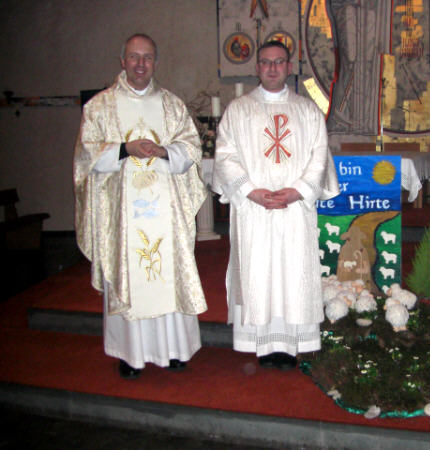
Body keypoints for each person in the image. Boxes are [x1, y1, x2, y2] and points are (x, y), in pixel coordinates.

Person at [73, 33, 208, 379]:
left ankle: (174, 350)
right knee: (130, 275)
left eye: (147, 57)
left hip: (166, 213)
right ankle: (130, 355)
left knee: (168, 272)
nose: (140, 64)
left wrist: (164, 151)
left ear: (155, 63)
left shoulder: (171, 105)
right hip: (123, 216)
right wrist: (124, 149)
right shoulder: (100, 107)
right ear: (122, 61)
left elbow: (191, 149)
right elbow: (86, 156)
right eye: (134, 57)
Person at [212, 40, 339, 370]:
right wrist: (250, 191)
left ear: (289, 67)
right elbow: (224, 156)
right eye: (266, 62)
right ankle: (262, 345)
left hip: (295, 210)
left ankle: (290, 346)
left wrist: (298, 191)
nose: (272, 68)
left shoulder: (307, 110)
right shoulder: (238, 110)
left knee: (293, 274)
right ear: (257, 68)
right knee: (259, 273)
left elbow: (319, 155)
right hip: (254, 210)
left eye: (279, 62)